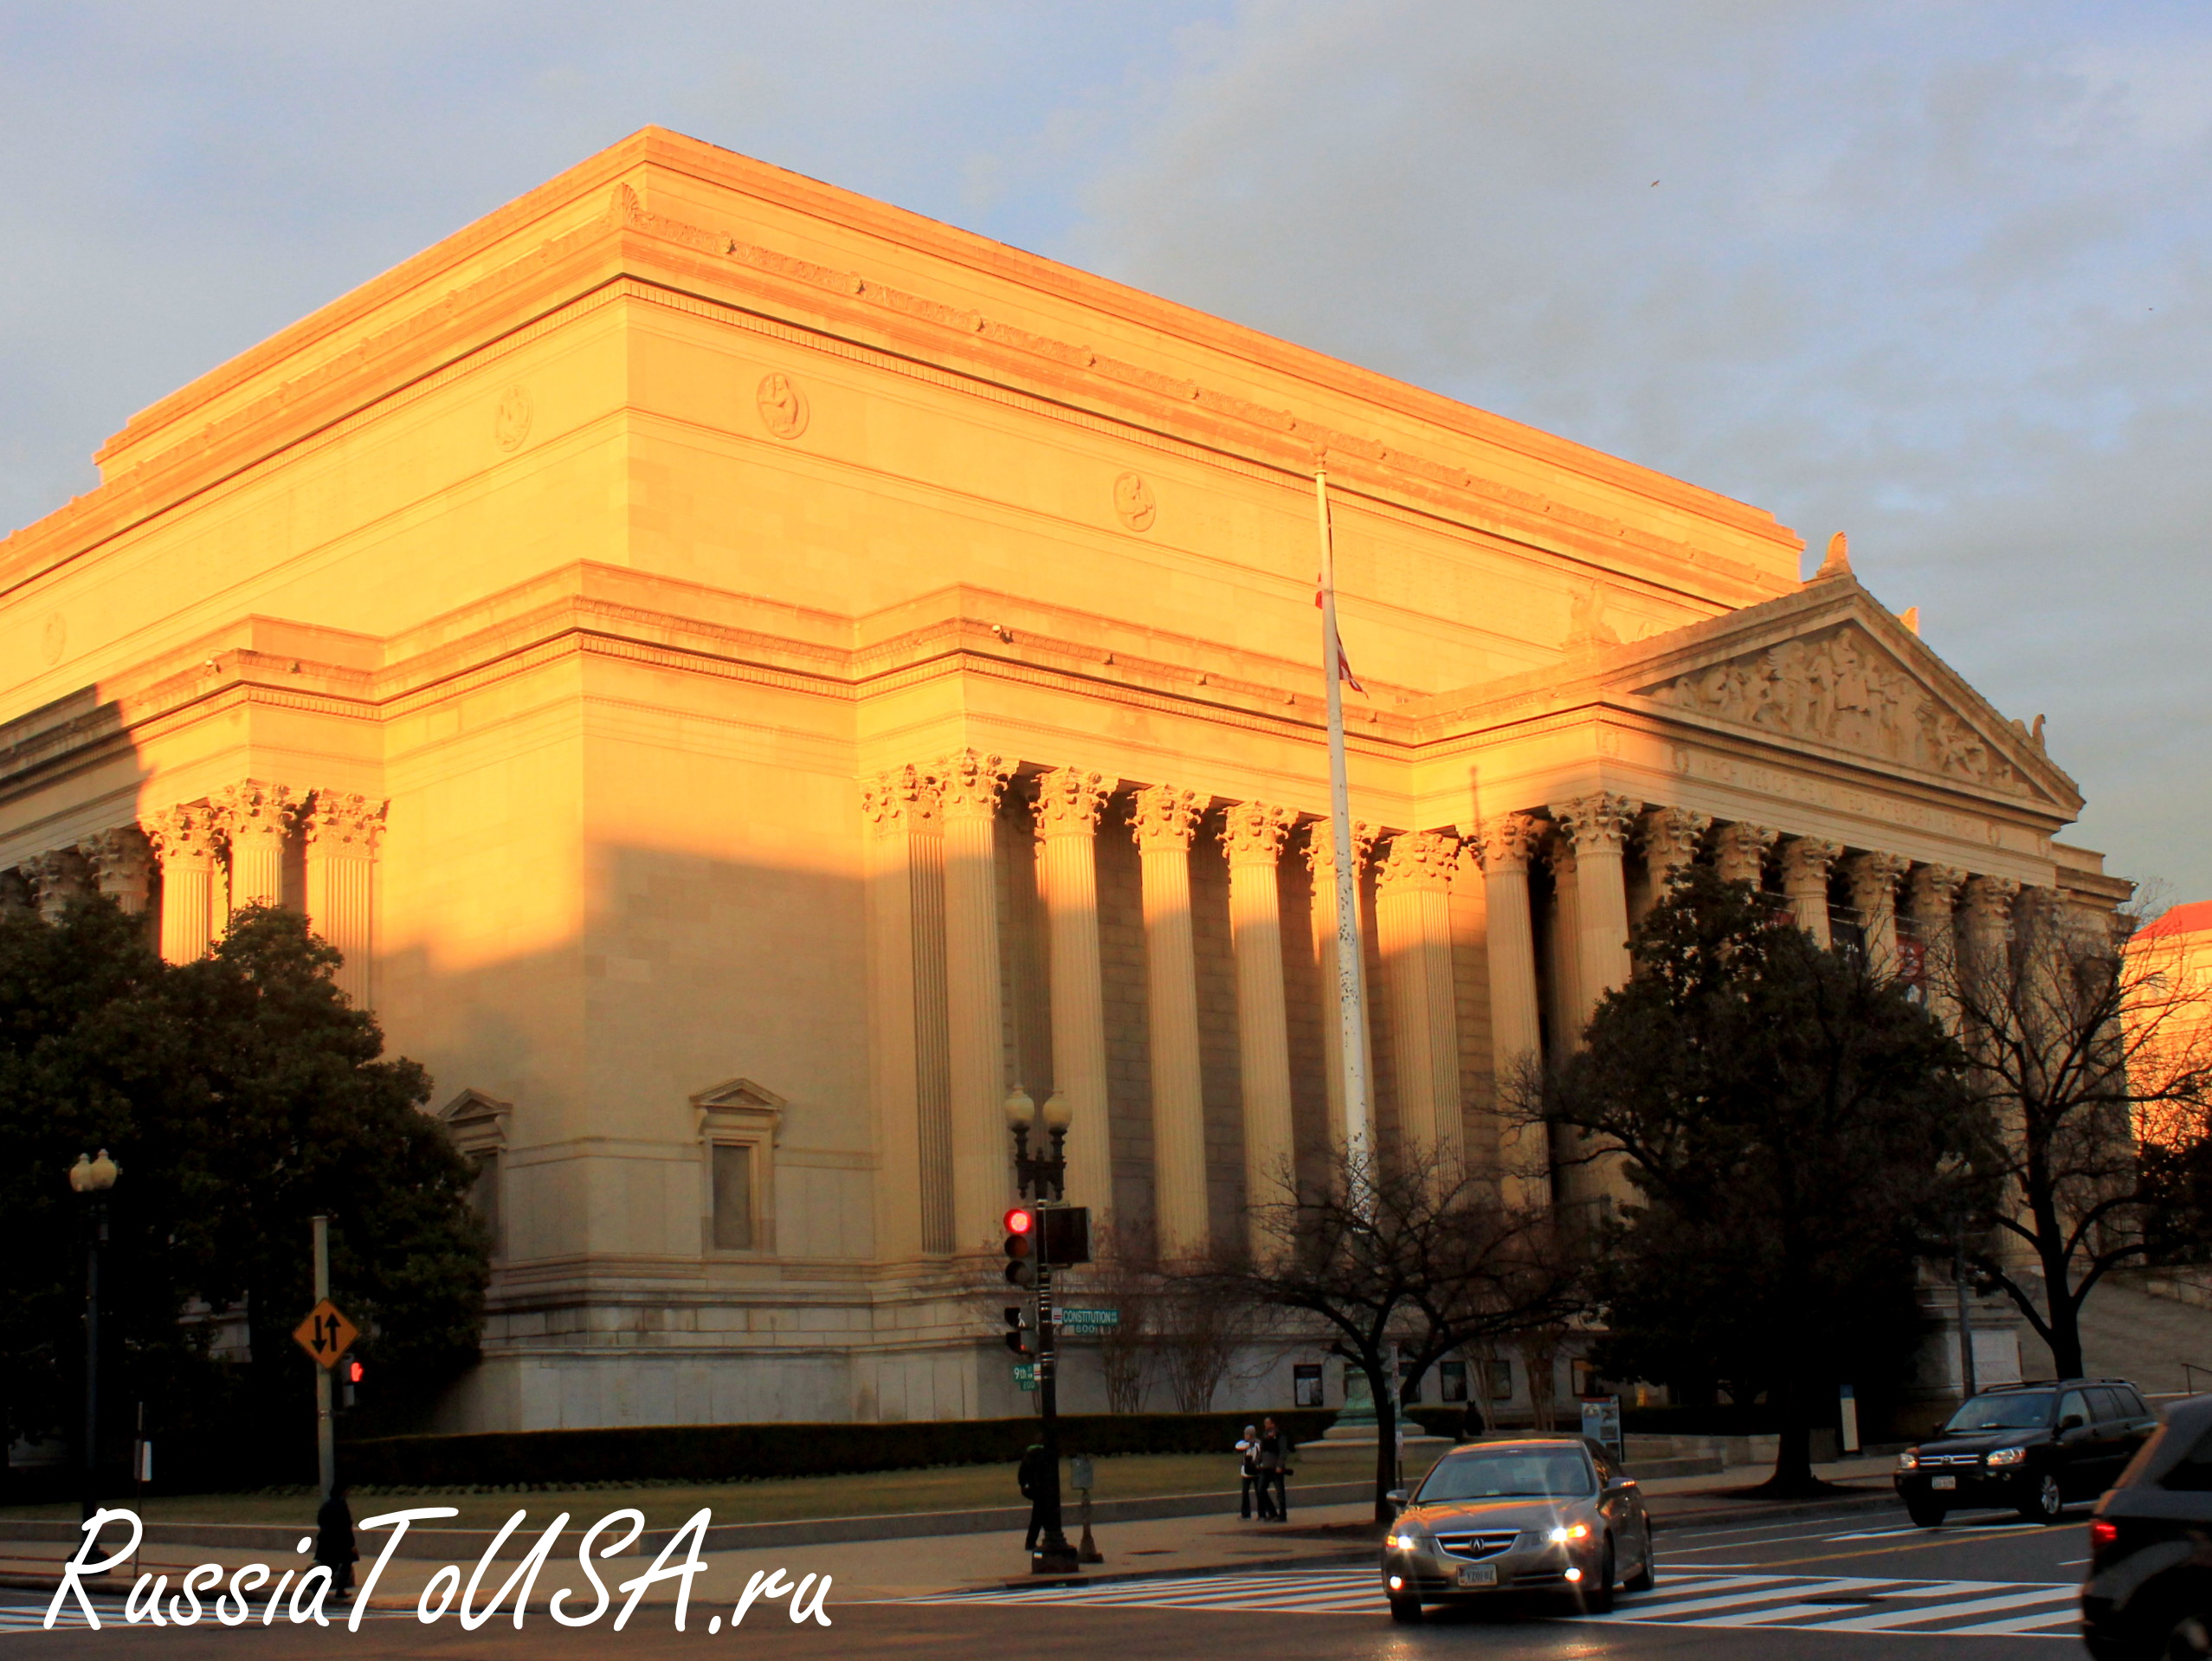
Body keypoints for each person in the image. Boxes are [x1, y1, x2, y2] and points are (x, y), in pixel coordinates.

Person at [314, 1484, 358, 1602]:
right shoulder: (341, 1505)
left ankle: (317, 1586)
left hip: (326, 1540)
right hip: (340, 1541)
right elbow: (346, 1525)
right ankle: (340, 1590)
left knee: (329, 1566)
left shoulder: (326, 1505)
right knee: (345, 1564)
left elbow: (320, 1520)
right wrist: (351, 1544)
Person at [1235, 1424, 1274, 1520]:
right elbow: (1238, 1446)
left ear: (1250, 1435)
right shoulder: (1246, 1444)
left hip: (1254, 1471)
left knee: (1257, 1493)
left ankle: (1259, 1514)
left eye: (1246, 1434)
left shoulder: (1258, 1444)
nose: (1245, 1435)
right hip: (1248, 1471)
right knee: (1248, 1493)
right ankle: (1249, 1514)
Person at [1257, 1417, 1292, 1522]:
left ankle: (1282, 1515)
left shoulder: (1280, 1437)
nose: (1265, 1425)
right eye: (1265, 1423)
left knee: (1280, 1492)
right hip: (1266, 1467)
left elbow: (1283, 1452)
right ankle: (1272, 1512)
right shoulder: (1264, 1436)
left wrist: (1279, 1465)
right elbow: (1261, 1451)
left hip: (1276, 1468)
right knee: (1260, 1490)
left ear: (1273, 1424)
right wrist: (1258, 1462)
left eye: (1267, 1423)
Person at [1018, 1443, 1050, 1552]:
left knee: (1040, 1513)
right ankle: (1034, 1541)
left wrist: (1025, 1486)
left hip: (1030, 1489)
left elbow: (1021, 1476)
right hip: (1040, 1490)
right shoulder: (1043, 1456)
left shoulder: (1027, 1456)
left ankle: (1044, 1538)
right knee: (1040, 1515)